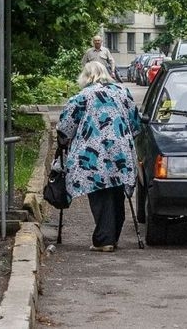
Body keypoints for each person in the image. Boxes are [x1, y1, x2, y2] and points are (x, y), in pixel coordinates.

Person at [56, 61, 141, 252]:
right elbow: (135, 123)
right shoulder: (122, 92)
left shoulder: (83, 96)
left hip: (93, 153)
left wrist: (63, 141)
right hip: (120, 149)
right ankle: (112, 236)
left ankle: (104, 240)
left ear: (86, 77)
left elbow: (65, 126)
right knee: (117, 192)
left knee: (99, 192)